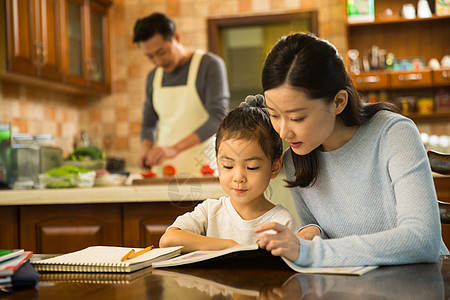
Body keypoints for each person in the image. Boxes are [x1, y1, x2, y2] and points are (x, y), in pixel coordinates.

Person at [254, 33, 449, 267]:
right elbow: (329, 244)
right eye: (274, 114)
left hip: (423, 282)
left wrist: (311, 251)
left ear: (338, 102)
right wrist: (312, 233)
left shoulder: (394, 133)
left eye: (297, 117)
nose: (284, 132)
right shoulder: (296, 160)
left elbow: (422, 240)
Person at [159, 96, 300, 253]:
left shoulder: (281, 222)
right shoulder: (210, 211)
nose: (238, 177)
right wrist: (229, 246)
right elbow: (168, 240)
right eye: (228, 166)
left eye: (252, 167)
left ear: (274, 168)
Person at [133, 13, 230, 174]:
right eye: (150, 57)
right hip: (164, 171)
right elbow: (149, 123)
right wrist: (147, 152)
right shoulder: (153, 77)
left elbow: (218, 117)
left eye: (161, 52)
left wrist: (174, 149)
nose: (158, 62)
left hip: (204, 168)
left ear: (176, 38)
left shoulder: (209, 65)